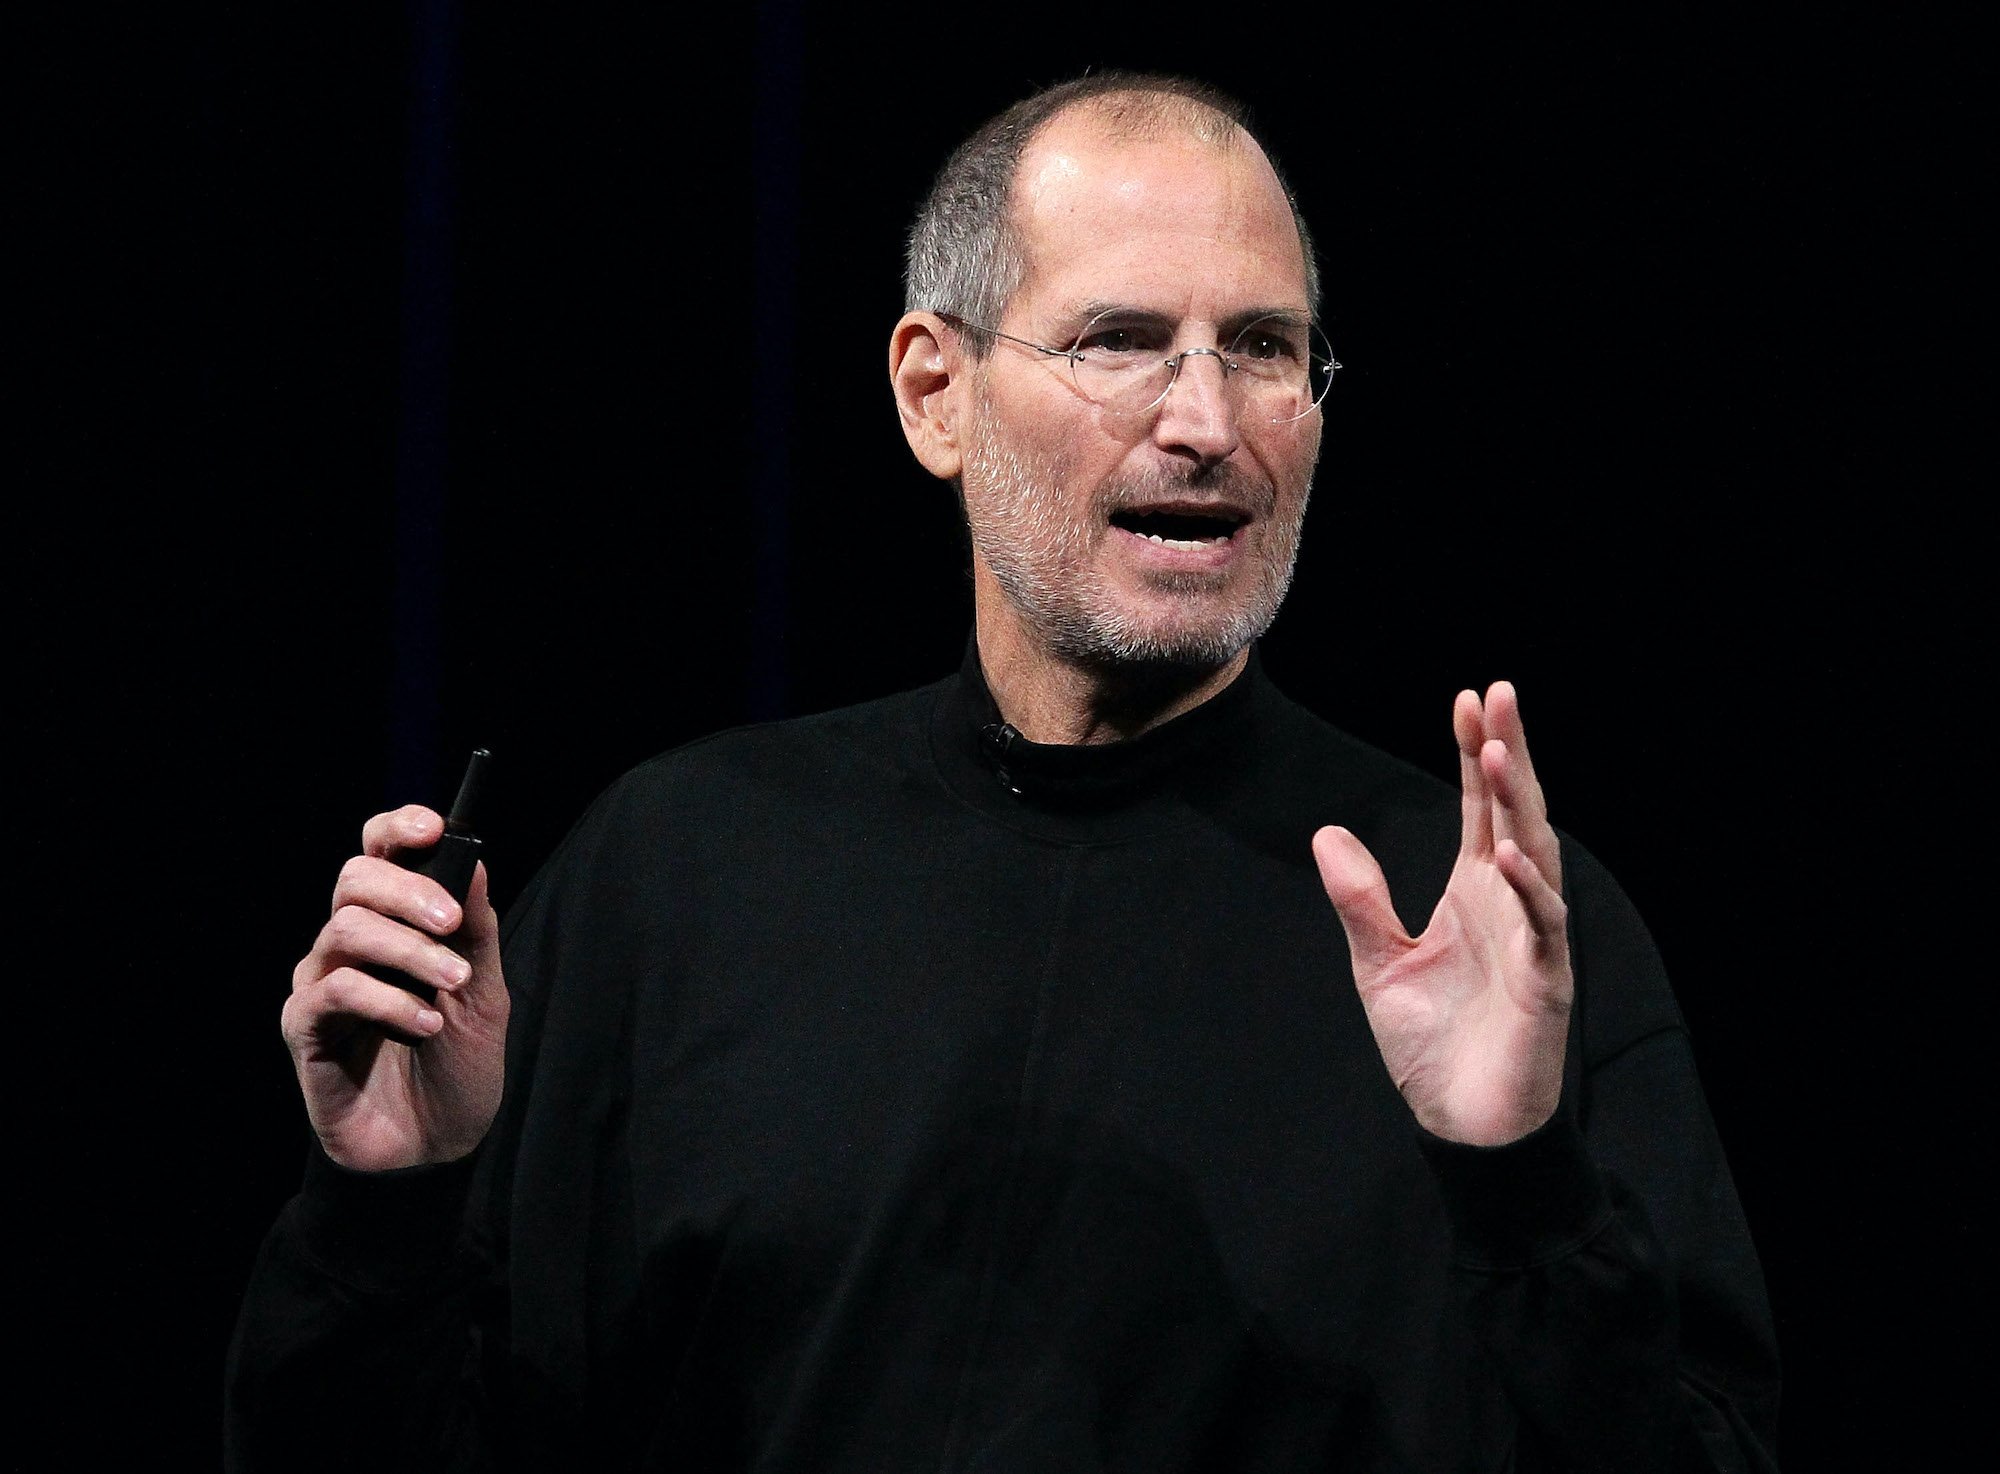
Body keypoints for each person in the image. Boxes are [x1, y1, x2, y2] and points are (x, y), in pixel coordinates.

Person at [228, 74, 1780, 1471]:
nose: (1206, 423)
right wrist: (382, 1212)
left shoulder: (1485, 926)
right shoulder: (677, 874)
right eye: (1120, 341)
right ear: (932, 392)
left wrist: (1519, 1190)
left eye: (1264, 349)